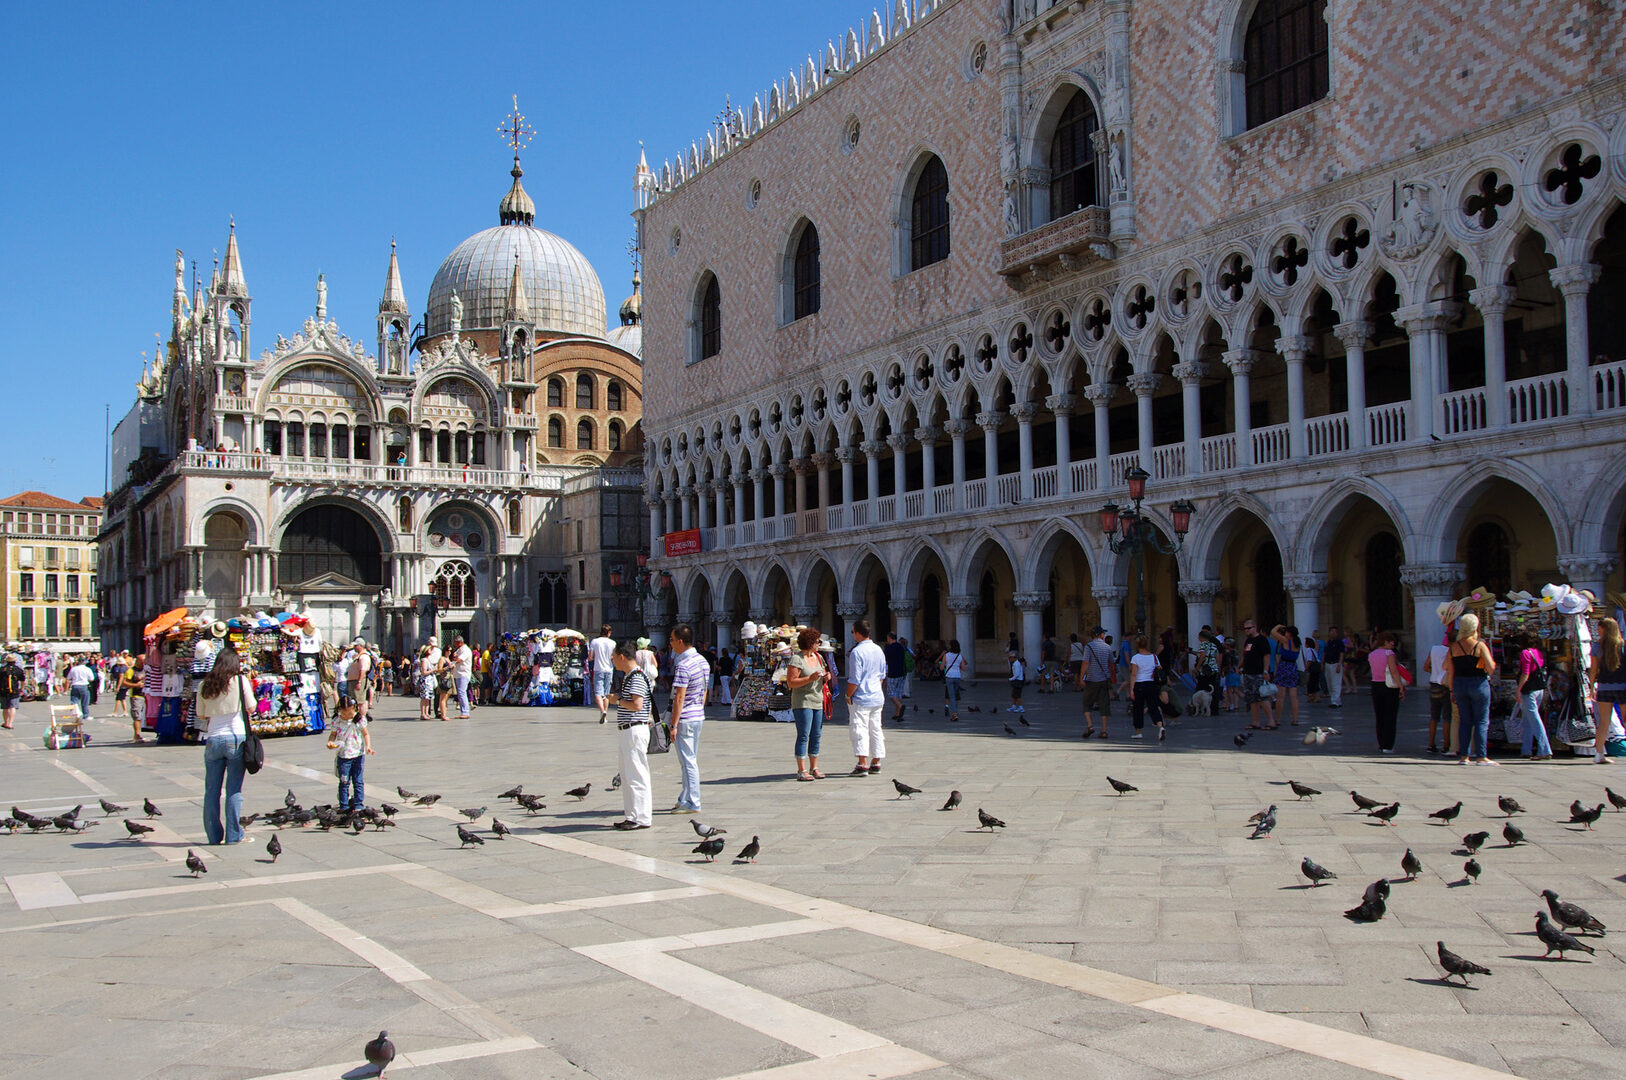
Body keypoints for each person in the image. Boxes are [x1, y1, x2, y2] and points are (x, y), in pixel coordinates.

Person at [194, 647, 254, 845]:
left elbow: (201, 714)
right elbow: (251, 707)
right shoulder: (240, 681)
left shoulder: (205, 684)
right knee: (233, 789)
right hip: (235, 737)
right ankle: (233, 835)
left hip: (213, 738)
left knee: (212, 790)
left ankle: (213, 835)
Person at [607, 640, 653, 829]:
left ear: (622, 656)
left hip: (634, 729)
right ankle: (632, 815)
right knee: (627, 775)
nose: (612, 660)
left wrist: (617, 700)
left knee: (636, 775)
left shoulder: (636, 676)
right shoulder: (630, 676)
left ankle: (642, 818)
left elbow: (637, 705)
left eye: (613, 657)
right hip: (628, 729)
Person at [667, 624, 711, 813]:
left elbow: (679, 697)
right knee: (688, 759)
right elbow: (705, 690)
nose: (670, 644)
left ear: (680, 641)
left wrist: (673, 724)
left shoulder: (683, 665)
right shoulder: (702, 661)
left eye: (671, 640)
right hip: (697, 715)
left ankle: (693, 801)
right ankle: (684, 797)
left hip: (685, 718)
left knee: (688, 761)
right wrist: (698, 708)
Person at [1443, 614, 1493, 764]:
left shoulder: (1453, 648)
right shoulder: (1479, 646)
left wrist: (1451, 690)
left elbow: (1449, 670)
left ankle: (1464, 756)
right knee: (1481, 721)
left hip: (1459, 684)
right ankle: (1481, 756)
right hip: (1478, 684)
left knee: (1465, 721)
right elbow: (1491, 667)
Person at [785, 627, 828, 781]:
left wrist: (826, 677)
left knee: (816, 735)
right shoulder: (797, 659)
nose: (819, 644)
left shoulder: (818, 657)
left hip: (817, 700)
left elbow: (822, 674)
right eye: (817, 641)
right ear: (809, 643)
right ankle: (801, 769)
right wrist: (809, 679)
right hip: (803, 701)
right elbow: (791, 682)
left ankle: (814, 767)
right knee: (804, 735)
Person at [844, 620, 887, 775]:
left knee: (859, 728)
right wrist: (875, 688)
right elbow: (882, 675)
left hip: (861, 697)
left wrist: (848, 695)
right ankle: (876, 761)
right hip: (877, 695)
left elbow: (854, 679)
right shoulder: (878, 649)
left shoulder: (857, 652)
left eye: (852, 632)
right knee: (875, 728)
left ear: (858, 633)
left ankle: (862, 763)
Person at [326, 695, 374, 811]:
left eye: (349, 713)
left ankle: (358, 805)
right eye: (344, 713)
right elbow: (333, 734)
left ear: (355, 709)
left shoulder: (359, 720)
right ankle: (344, 806)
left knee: (358, 781)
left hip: (358, 755)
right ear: (339, 710)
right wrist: (330, 742)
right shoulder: (337, 720)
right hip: (343, 756)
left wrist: (368, 746)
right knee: (344, 782)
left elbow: (366, 734)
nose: (347, 716)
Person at [1588, 616, 1626, 764]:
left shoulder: (1597, 646)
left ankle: (1599, 754)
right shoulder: (1622, 645)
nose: (1598, 631)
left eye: (1599, 628)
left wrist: (1591, 686)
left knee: (1604, 722)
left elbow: (1593, 669)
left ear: (1604, 629)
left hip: (1604, 687)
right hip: (1622, 687)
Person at [1511, 632, 1552, 760]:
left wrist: (1518, 690)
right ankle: (1526, 749)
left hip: (1528, 690)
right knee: (1528, 720)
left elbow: (1525, 673)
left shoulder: (1525, 653)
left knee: (1534, 720)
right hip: (1539, 689)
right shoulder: (1538, 652)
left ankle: (1544, 750)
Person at [1367, 631, 1406, 755]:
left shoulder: (1371, 654)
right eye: (1391, 643)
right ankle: (1388, 745)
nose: (1393, 645)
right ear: (1386, 642)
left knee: (1380, 716)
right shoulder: (1390, 654)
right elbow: (1394, 671)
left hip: (1375, 685)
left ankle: (1381, 743)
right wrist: (1401, 687)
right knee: (1390, 716)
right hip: (1389, 686)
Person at [1080, 626, 1115, 738]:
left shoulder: (1089, 647)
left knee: (1087, 703)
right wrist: (1111, 677)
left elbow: (1085, 663)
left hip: (1091, 679)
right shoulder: (1107, 647)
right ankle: (1104, 730)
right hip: (1104, 679)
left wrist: (1081, 677)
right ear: (1100, 635)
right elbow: (1112, 664)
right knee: (1104, 704)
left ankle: (1090, 725)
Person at [1240, 620, 1275, 730]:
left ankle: (1271, 721)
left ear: (1254, 627)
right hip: (1248, 672)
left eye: (1249, 628)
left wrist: (1266, 671)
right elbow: (1245, 655)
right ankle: (1256, 722)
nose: (1247, 630)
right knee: (1252, 699)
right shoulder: (1248, 641)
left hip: (1258, 673)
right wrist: (1239, 666)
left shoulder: (1261, 640)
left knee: (1262, 697)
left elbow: (1266, 656)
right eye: (1245, 628)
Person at [1423, 630, 1452, 755]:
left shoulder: (1434, 649)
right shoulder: (1452, 651)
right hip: (1446, 686)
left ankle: (1431, 744)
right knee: (1447, 717)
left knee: (1434, 716)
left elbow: (1426, 667)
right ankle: (1446, 745)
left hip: (1434, 684)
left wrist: (1436, 673)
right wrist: (1444, 676)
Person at [1127, 635, 1161, 739]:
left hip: (1139, 684)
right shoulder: (1154, 656)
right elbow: (1159, 668)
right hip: (1151, 684)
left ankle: (1139, 731)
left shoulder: (1136, 658)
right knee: (1153, 706)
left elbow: (1133, 674)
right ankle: (1160, 726)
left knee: (1138, 708)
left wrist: (1131, 689)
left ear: (1137, 645)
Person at [1270, 625, 1301, 726]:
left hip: (1284, 667)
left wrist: (1279, 626)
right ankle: (1295, 719)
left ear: (1289, 633)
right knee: (1294, 696)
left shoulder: (1286, 641)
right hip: (1293, 668)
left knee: (1281, 696)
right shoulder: (1298, 643)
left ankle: (1278, 719)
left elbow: (1273, 632)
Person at [588, 624, 616, 722]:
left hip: (598, 669)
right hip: (609, 669)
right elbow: (614, 657)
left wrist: (596, 658)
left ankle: (602, 710)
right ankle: (605, 713)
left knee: (598, 693)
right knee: (606, 693)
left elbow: (590, 657)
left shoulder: (594, 642)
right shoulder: (613, 643)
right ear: (609, 633)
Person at [882, 631, 908, 722]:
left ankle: (900, 706)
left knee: (891, 693)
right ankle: (898, 713)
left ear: (889, 638)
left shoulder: (888, 648)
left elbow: (885, 660)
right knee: (898, 693)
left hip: (892, 673)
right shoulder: (901, 647)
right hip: (901, 673)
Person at [635, 637, 661, 723]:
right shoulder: (650, 653)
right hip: (649, 679)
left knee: (639, 696)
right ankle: (648, 715)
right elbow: (655, 664)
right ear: (646, 646)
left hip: (638, 678)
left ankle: (639, 714)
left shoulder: (635, 654)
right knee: (649, 697)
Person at [940, 637, 966, 722]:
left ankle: (954, 714)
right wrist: (957, 667)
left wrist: (945, 666)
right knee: (955, 695)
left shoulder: (946, 655)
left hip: (949, 676)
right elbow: (963, 668)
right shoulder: (959, 656)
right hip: (957, 676)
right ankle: (954, 713)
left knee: (951, 696)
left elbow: (941, 667)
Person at [449, 634, 473, 719]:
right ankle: (464, 711)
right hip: (458, 674)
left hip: (463, 674)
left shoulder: (465, 650)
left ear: (459, 642)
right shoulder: (459, 650)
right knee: (460, 693)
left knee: (462, 692)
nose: (454, 644)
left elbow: (459, 660)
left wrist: (454, 659)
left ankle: (465, 712)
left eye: (455, 642)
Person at [123, 658, 146, 742]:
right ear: (137, 661)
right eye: (142, 662)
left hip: (147, 695)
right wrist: (136, 685)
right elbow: (124, 683)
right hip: (136, 696)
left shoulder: (147, 669)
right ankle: (137, 734)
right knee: (137, 716)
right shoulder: (131, 671)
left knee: (144, 716)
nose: (143, 663)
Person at [1323, 626, 1346, 708]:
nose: (1333, 633)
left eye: (1335, 631)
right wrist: (1322, 663)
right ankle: (1337, 700)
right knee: (1329, 682)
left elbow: (1341, 654)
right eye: (1331, 631)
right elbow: (1324, 653)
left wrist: (1339, 664)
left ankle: (1335, 701)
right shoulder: (1328, 643)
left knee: (1336, 683)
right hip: (1328, 664)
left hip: (1335, 664)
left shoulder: (1339, 643)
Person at [0, 653, 25, 729]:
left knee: (5, 707)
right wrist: (21, 688)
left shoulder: (2, 669)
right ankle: (10, 723)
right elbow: (23, 680)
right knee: (12, 707)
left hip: (3, 690)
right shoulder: (18, 669)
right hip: (14, 690)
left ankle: (5, 722)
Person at [67, 655, 95, 721]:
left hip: (75, 685)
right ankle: (85, 715)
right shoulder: (87, 669)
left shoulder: (73, 669)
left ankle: (76, 713)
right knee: (85, 701)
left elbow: (68, 677)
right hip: (84, 685)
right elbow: (91, 679)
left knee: (74, 700)